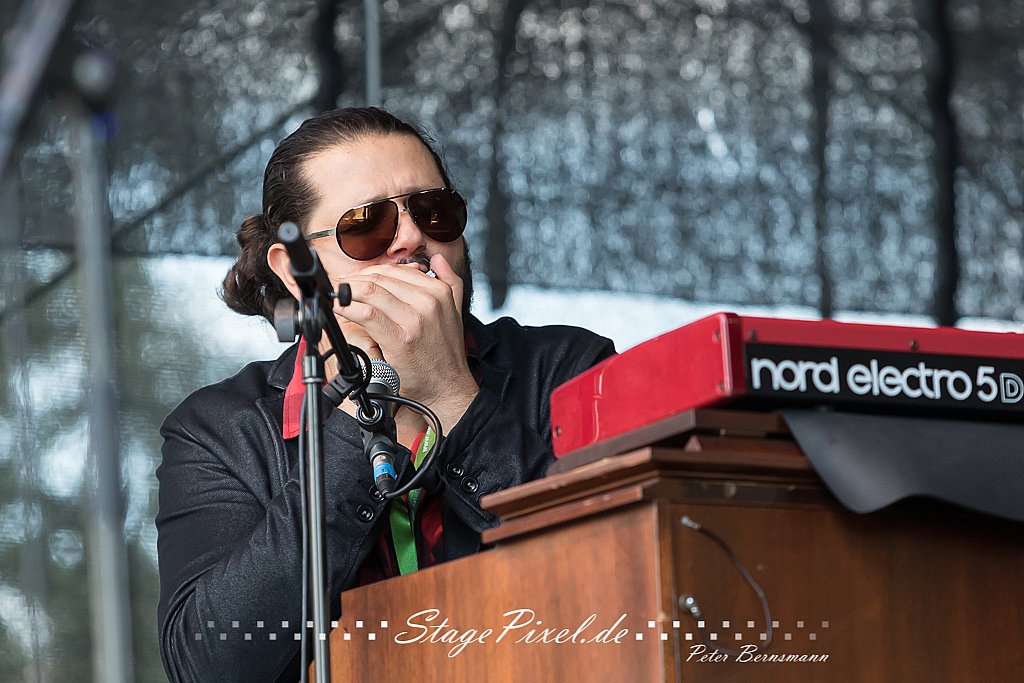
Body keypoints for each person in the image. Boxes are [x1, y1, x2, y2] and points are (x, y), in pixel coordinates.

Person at [155, 107, 615, 682]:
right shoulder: (220, 430)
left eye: (434, 210)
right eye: (366, 224)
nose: (413, 238)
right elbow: (212, 663)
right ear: (296, 272)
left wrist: (451, 395)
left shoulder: (567, 368)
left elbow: (620, 584)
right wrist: (359, 415)